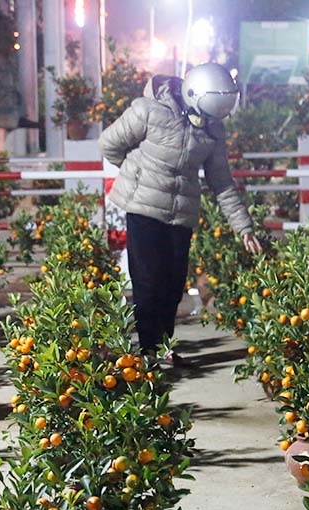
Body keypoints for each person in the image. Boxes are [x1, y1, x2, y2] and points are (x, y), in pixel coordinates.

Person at [99, 63, 262, 365]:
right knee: (148, 284)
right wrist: (136, 172)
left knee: (173, 286)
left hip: (181, 215)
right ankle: (149, 350)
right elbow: (109, 144)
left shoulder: (212, 130)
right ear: (192, 95)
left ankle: (164, 345)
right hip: (144, 209)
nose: (209, 122)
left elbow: (221, 181)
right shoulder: (149, 111)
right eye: (208, 114)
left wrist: (244, 227)